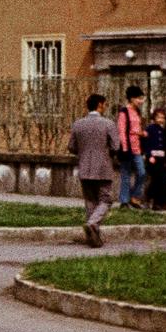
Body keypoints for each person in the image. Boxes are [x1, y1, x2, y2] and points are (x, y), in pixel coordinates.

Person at [68, 93, 120, 247]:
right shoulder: (108, 124)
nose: (105, 107)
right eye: (104, 104)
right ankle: (92, 223)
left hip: (84, 167)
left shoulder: (78, 124)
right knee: (106, 199)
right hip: (103, 167)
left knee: (90, 200)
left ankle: (93, 235)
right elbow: (116, 146)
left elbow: (71, 147)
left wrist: (84, 152)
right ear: (100, 105)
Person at [115, 85, 147, 208]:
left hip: (137, 148)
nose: (141, 101)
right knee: (126, 174)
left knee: (142, 173)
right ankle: (124, 201)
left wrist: (142, 133)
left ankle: (134, 197)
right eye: (139, 98)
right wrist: (124, 148)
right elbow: (121, 131)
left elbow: (136, 129)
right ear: (132, 98)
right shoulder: (124, 112)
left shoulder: (137, 112)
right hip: (127, 147)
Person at [143, 108, 166, 210]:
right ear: (154, 118)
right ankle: (149, 197)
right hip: (153, 158)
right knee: (155, 179)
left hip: (161, 158)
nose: (161, 119)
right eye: (158, 117)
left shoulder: (164, 131)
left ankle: (158, 202)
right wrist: (149, 155)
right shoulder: (150, 129)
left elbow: (165, 145)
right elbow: (146, 144)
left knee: (162, 180)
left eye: (162, 117)